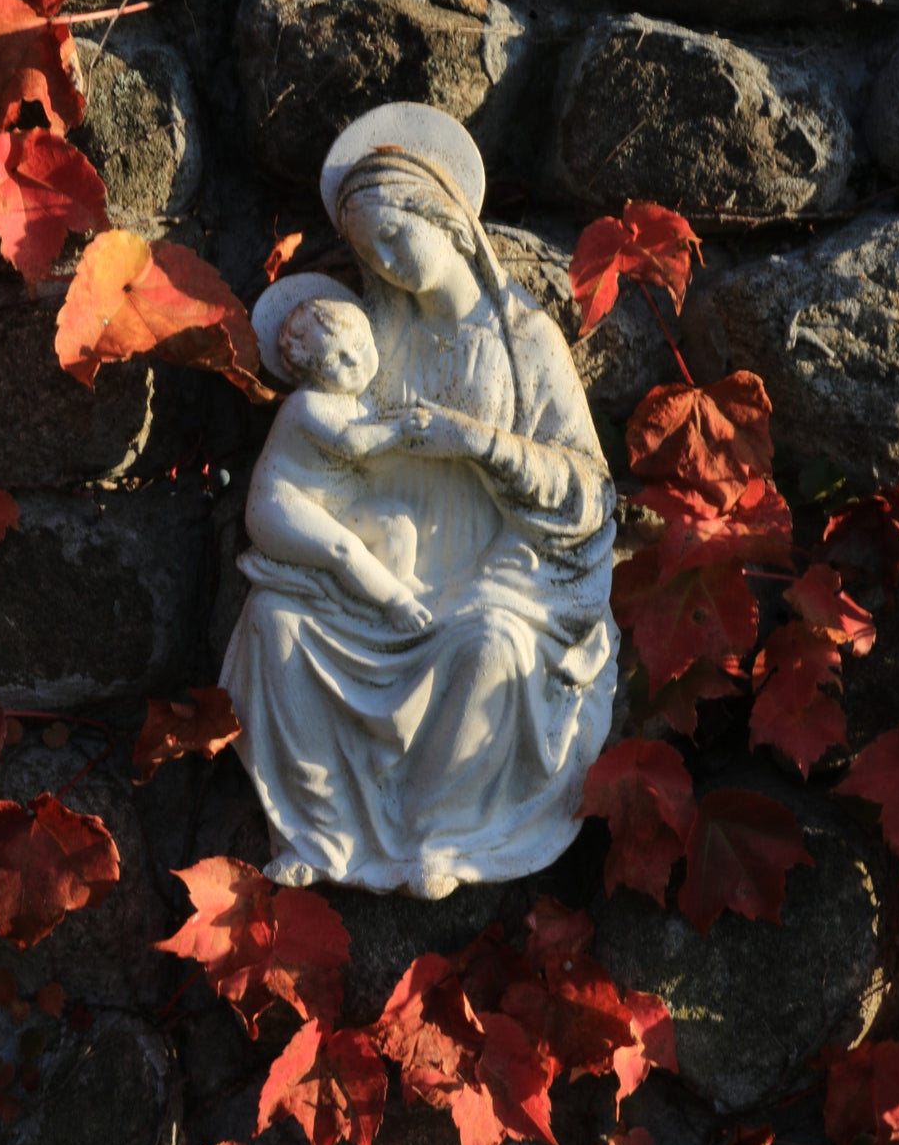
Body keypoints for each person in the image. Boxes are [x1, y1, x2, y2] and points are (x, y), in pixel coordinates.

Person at [221, 102, 618, 898]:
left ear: (450, 222)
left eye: (398, 238)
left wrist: (478, 444)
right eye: (370, 253)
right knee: (273, 624)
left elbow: (588, 494)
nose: (388, 264)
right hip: (378, 571)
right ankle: (322, 830)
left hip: (501, 574)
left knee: (490, 645)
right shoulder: (365, 338)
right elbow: (322, 452)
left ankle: (437, 833)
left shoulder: (524, 342)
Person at [246, 294, 430, 634]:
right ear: (308, 370)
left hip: (332, 505)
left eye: (359, 345)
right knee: (344, 549)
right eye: (336, 358)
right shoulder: (305, 405)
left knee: (397, 521)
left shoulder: (356, 405)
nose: (354, 360)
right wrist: (400, 430)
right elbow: (351, 443)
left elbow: (374, 452)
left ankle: (395, 582)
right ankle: (396, 601)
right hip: (280, 509)